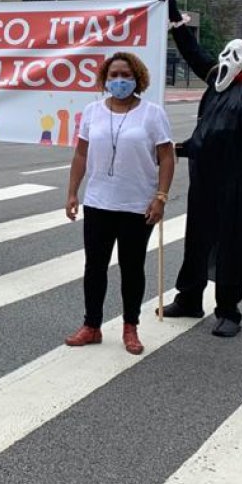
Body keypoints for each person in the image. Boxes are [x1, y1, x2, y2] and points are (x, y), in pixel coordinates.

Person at [160, 0, 242, 337]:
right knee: (197, 239)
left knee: (231, 245)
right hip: (207, 180)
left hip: (238, 185)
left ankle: (228, 309)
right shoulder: (216, 82)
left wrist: (183, 149)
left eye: (233, 55)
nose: (225, 59)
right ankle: (189, 297)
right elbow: (194, 55)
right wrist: (175, 17)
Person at [65, 52, 175, 354]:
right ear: (104, 79)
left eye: (125, 75)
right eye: (113, 75)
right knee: (95, 267)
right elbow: (81, 154)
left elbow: (167, 157)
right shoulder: (92, 111)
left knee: (131, 267)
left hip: (137, 206)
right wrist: (73, 192)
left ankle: (130, 327)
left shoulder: (152, 114)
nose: (119, 81)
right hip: (99, 202)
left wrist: (161, 197)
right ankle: (92, 326)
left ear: (137, 78)